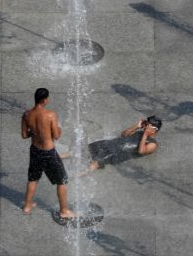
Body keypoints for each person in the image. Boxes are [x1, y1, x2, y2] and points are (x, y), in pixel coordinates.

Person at [20, 88, 74, 219]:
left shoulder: (26, 114)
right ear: (45, 100)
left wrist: (35, 132)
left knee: (33, 179)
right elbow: (56, 136)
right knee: (61, 181)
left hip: (35, 150)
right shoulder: (50, 115)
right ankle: (64, 211)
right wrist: (59, 129)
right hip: (49, 153)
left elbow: (24, 135)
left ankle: (27, 206)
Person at [87, 117, 161, 171]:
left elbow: (141, 151)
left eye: (148, 125)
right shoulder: (139, 133)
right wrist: (137, 126)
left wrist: (145, 134)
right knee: (85, 149)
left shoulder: (153, 144)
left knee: (92, 165)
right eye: (146, 124)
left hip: (114, 154)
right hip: (108, 143)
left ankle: (75, 178)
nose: (145, 127)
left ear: (154, 129)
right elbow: (123, 134)